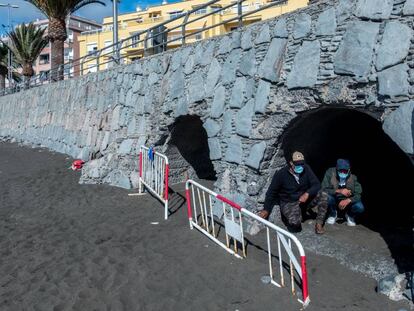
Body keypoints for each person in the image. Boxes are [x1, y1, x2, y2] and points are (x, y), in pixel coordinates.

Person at [257, 151, 328, 234]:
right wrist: (266, 209)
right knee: (295, 223)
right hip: (289, 202)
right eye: (298, 164)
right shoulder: (281, 174)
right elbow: (271, 192)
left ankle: (319, 223)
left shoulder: (306, 169)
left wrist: (307, 193)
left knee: (323, 194)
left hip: (304, 199)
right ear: (291, 163)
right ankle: (294, 215)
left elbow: (317, 184)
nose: (301, 166)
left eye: (302, 164)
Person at [322, 159, 364, 227]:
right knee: (326, 197)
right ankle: (333, 214)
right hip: (334, 198)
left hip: (347, 201)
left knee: (360, 207)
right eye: (340, 170)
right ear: (336, 168)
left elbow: (358, 194)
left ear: (349, 170)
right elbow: (323, 189)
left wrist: (348, 200)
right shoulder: (330, 173)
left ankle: (349, 215)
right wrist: (339, 191)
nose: (343, 172)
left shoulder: (353, 177)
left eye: (345, 171)